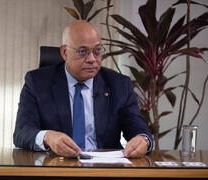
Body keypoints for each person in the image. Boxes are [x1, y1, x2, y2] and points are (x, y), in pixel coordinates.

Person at [13, 20, 153, 158]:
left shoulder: (119, 85)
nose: (92, 59)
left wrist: (142, 140)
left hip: (104, 169)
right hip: (56, 167)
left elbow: (139, 129)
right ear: (64, 52)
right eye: (82, 52)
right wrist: (48, 137)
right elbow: (22, 133)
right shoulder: (37, 82)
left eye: (97, 51)